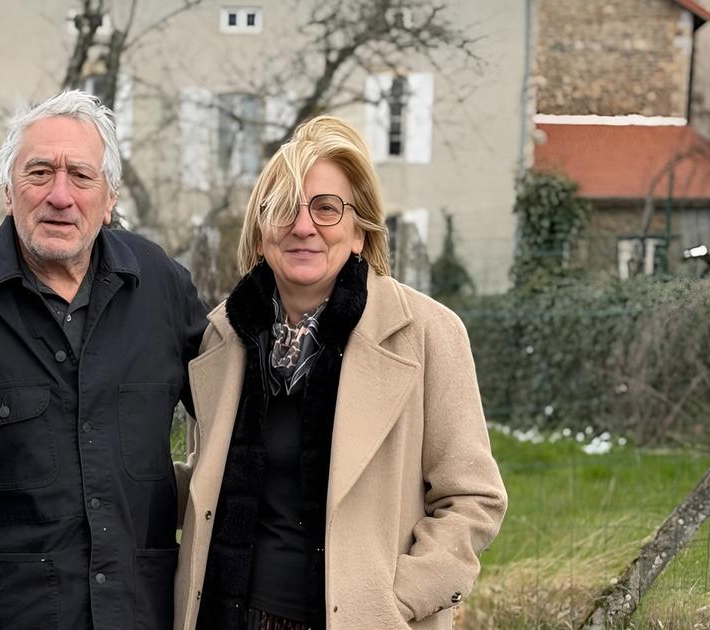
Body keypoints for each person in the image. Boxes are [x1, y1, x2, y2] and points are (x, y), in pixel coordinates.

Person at [173, 116, 507, 630]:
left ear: (359, 231)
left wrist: (396, 601)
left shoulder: (426, 332)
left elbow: (473, 497)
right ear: (261, 232)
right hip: (227, 614)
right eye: (284, 209)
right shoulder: (225, 334)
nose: (303, 226)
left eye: (326, 209)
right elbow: (207, 480)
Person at [0, 90, 207, 630]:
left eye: (81, 175)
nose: (60, 196)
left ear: (109, 198)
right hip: (0, 616)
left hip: (138, 613)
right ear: (8, 191)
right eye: (39, 173)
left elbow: (237, 418)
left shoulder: (162, 286)